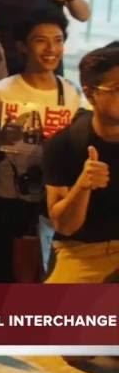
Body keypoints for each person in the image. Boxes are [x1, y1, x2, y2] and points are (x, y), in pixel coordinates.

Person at [0, 10, 83, 282]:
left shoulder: (71, 92)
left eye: (58, 40)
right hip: (5, 195)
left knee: (41, 270)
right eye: (40, 40)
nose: (51, 49)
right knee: (0, 271)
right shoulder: (2, 90)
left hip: (52, 198)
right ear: (22, 46)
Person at [44, 45, 119, 283]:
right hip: (83, 251)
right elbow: (64, 226)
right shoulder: (65, 144)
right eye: (118, 88)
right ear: (90, 94)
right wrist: (83, 185)